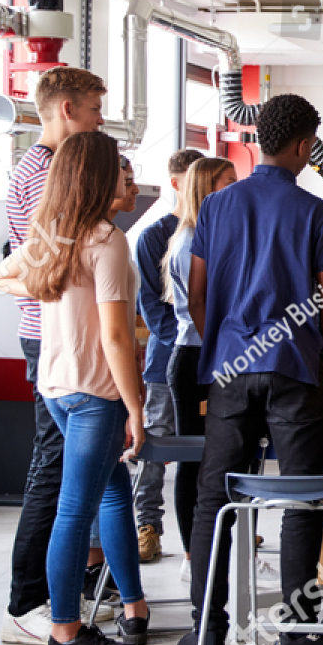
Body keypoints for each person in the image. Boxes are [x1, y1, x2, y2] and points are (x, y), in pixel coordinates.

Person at [183, 95, 323, 645]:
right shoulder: (316, 213)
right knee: (302, 501)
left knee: (213, 502)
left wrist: (223, 350)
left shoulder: (216, 206)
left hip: (230, 367)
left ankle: (206, 636)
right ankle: (297, 640)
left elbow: (197, 296)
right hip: (295, 368)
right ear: (304, 147)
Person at [0, 131, 150, 645]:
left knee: (107, 497)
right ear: (99, 177)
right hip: (95, 392)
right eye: (119, 170)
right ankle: (65, 634)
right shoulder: (106, 240)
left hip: (58, 388)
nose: (128, 179)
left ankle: (133, 606)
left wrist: (44, 286)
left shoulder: (52, 236)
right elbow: (115, 336)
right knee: (75, 510)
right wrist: (134, 406)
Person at [1, 65, 113, 645]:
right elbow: (37, 269)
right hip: (53, 336)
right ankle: (27, 602)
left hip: (60, 333)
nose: (99, 118)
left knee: (83, 475)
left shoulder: (43, 169)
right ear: (67, 109)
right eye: (95, 108)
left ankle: (78, 583)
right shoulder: (47, 173)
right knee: (53, 472)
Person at [162, 156, 236, 579]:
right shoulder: (193, 237)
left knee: (219, 458)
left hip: (211, 353)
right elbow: (200, 304)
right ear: (207, 188)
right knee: (195, 459)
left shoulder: (212, 233)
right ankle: (194, 555)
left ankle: (213, 551)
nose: (234, 190)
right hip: (196, 356)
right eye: (227, 183)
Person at [132, 148, 203, 563]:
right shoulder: (154, 236)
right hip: (168, 359)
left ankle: (211, 522)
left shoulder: (214, 229)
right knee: (157, 442)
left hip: (206, 360)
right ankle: (148, 525)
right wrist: (186, 340)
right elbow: (152, 308)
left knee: (209, 445)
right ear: (177, 184)